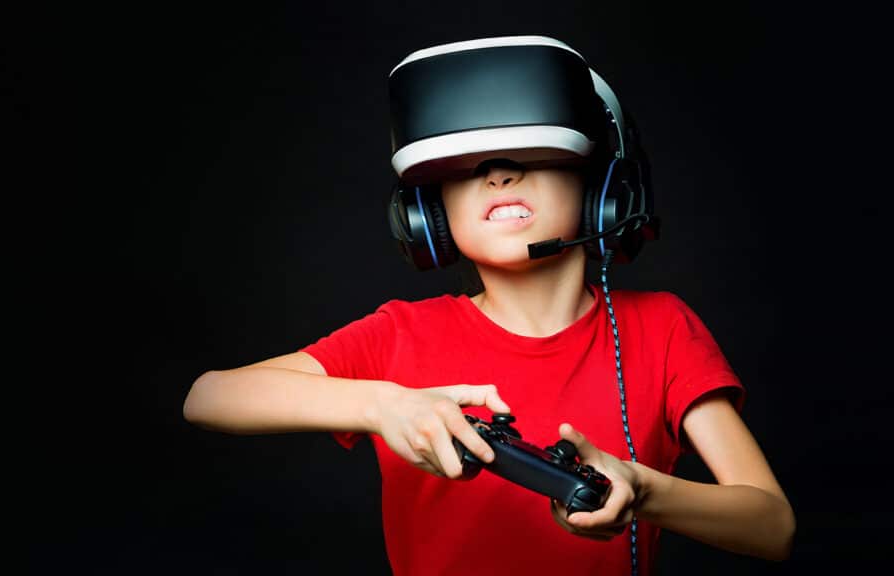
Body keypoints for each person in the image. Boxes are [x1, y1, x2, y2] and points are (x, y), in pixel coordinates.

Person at [183, 36, 794, 576]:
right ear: (429, 218)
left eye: (530, 155)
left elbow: (772, 526)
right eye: (466, 168)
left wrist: (643, 491)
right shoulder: (399, 335)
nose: (499, 176)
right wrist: (382, 404)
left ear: (603, 190)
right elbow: (207, 397)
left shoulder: (660, 327)